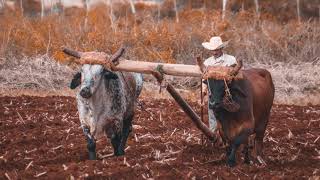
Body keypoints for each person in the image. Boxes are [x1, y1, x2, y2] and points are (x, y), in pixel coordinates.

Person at [202, 36, 239, 131]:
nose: (215, 52)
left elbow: (236, 77)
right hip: (213, 93)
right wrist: (204, 92)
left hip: (228, 93)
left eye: (217, 49)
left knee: (230, 115)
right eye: (213, 50)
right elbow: (204, 78)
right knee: (212, 115)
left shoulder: (230, 60)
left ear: (222, 48)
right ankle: (214, 135)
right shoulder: (207, 62)